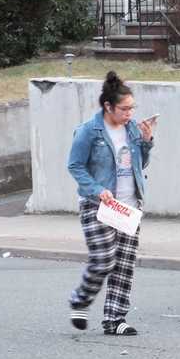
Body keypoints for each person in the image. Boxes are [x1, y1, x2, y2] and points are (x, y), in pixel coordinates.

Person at [66, 71, 155, 336]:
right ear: (108, 106)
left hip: (128, 206)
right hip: (97, 205)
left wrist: (147, 142)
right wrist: (97, 189)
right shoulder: (88, 132)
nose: (130, 114)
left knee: (124, 264)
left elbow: (140, 164)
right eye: (124, 109)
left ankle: (115, 319)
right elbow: (75, 166)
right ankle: (81, 298)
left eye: (132, 108)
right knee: (104, 259)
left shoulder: (132, 129)